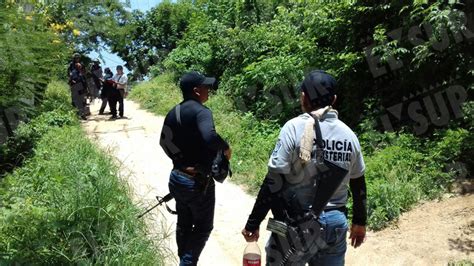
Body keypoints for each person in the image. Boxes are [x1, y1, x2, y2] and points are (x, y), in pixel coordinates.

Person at [241, 70, 367, 265]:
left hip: (296, 224)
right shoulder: (349, 136)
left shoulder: (293, 128)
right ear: (333, 99)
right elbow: (358, 182)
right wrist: (360, 221)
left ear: (303, 97)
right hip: (335, 223)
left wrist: (253, 222)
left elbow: (273, 180)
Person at [159, 71, 232, 266]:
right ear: (196, 91)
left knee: (184, 224)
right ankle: (187, 263)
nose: (208, 90)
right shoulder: (202, 111)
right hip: (197, 183)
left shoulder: (173, 112)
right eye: (205, 87)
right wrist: (225, 148)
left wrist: (181, 162)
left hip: (177, 178)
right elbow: (209, 137)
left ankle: (184, 261)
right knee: (202, 228)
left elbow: (163, 142)